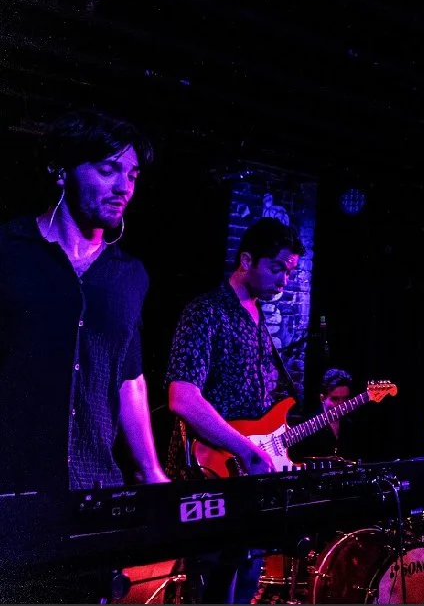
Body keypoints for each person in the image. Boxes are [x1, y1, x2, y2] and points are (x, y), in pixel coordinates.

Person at [0, 109, 169, 600]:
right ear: (63, 169)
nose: (124, 187)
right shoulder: (9, 251)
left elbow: (129, 376)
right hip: (13, 490)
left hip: (94, 493)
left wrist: (152, 471)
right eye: (108, 169)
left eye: (132, 174)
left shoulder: (129, 274)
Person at [164, 217, 305, 604]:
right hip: (210, 476)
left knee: (244, 587)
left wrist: (275, 446)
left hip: (249, 483)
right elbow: (182, 397)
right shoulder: (205, 311)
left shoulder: (260, 321)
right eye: (277, 268)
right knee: (210, 588)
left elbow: (260, 412)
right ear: (246, 260)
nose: (284, 281)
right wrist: (245, 448)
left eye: (289, 272)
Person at [288, 367, 357, 463]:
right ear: (322, 398)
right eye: (335, 399)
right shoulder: (307, 425)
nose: (341, 404)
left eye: (345, 399)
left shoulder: (351, 425)